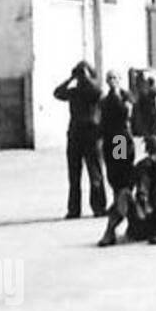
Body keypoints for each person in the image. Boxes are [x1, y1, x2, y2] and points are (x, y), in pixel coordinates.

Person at [54, 60, 106, 218]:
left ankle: (99, 207)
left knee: (96, 173)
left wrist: (87, 78)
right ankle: (74, 209)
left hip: (95, 135)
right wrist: (71, 79)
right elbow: (57, 93)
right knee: (74, 175)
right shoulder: (74, 91)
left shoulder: (94, 91)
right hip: (76, 135)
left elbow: (98, 93)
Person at [98, 70, 135, 196]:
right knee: (113, 170)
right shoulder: (105, 99)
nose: (112, 81)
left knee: (122, 168)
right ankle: (118, 197)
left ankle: (124, 197)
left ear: (119, 79)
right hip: (110, 137)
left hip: (120, 137)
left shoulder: (124, 95)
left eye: (115, 78)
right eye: (110, 78)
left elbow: (126, 113)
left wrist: (118, 96)